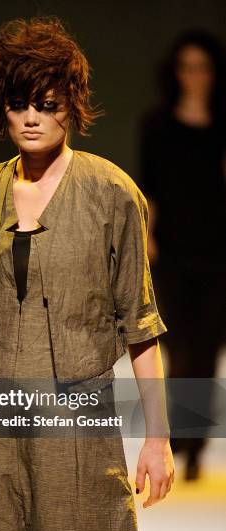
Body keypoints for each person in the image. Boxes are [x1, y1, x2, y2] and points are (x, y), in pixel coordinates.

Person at [0, 16, 175, 531]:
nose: (33, 117)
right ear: (1, 109)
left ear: (72, 104)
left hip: (78, 428)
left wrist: (159, 439)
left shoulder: (111, 193)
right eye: (19, 104)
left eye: (47, 102)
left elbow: (141, 326)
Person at [138, 30, 226, 480]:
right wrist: (147, 239)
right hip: (170, 252)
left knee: (206, 350)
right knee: (177, 347)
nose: (194, 77)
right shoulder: (158, 125)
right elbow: (148, 187)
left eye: (202, 67)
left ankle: (193, 447)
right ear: (175, 72)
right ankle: (177, 439)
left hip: (217, 254)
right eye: (186, 67)